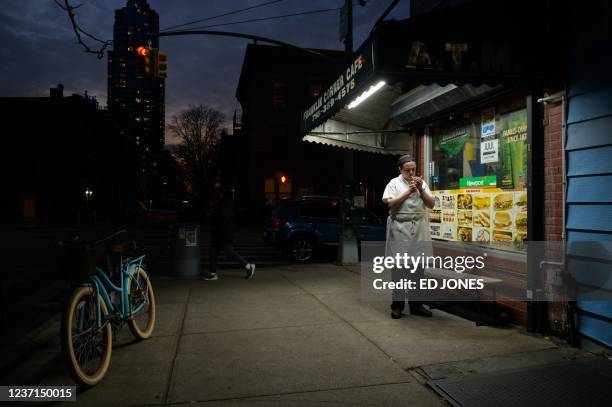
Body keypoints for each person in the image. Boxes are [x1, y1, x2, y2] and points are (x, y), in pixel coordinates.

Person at [382, 155, 436, 319]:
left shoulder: (422, 183)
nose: (411, 173)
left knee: (417, 270)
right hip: (399, 229)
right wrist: (408, 191)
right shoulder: (394, 183)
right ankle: (397, 306)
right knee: (399, 271)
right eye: (407, 170)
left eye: (413, 169)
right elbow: (390, 204)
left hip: (418, 229)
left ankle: (416, 305)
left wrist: (419, 189)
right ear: (400, 169)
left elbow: (431, 204)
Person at [201, 188, 256, 280]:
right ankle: (213, 273)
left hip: (224, 233)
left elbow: (222, 218)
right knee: (213, 251)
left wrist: (212, 213)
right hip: (220, 233)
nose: (217, 196)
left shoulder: (225, 204)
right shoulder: (223, 204)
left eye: (219, 194)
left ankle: (248, 266)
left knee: (228, 251)